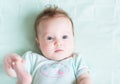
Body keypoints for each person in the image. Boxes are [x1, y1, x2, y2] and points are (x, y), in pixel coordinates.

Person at [4, 6, 93, 84]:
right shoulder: (33, 58)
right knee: (22, 74)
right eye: (50, 38)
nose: (58, 42)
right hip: (27, 77)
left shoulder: (76, 60)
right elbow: (14, 74)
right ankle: (24, 81)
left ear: (73, 38)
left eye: (64, 36)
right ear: (39, 42)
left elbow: (84, 78)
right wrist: (12, 64)